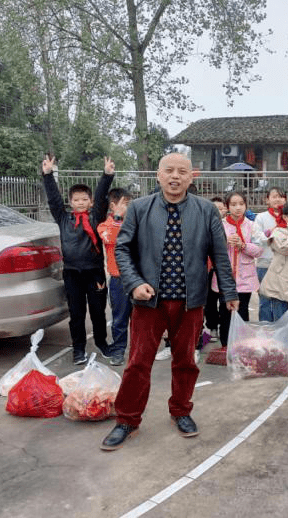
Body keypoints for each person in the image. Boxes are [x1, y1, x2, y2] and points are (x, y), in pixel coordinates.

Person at [101, 153, 238, 450]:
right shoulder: (139, 208)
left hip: (191, 302)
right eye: (169, 171)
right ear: (158, 175)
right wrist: (135, 284)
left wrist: (229, 293)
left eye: (182, 172)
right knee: (137, 362)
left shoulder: (205, 211)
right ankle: (126, 419)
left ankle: (181, 411)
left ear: (192, 177)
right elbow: (121, 250)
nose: (175, 177)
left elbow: (220, 254)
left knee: (186, 361)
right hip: (149, 302)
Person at [41, 155, 114, 365]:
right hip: (72, 273)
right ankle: (78, 348)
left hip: (95, 272)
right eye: (76, 200)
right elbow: (54, 200)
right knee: (77, 313)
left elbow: (102, 198)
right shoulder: (64, 219)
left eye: (84, 199)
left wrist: (107, 175)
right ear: (71, 202)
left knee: (98, 312)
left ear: (89, 202)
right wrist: (48, 175)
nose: (80, 203)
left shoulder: (95, 217)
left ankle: (102, 343)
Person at [212, 191, 263, 348]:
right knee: (225, 313)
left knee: (242, 312)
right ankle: (226, 346)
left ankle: (241, 345)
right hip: (224, 277)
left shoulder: (252, 226)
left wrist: (244, 245)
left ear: (246, 205)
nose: (237, 208)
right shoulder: (219, 225)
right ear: (227, 207)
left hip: (245, 277)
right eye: (233, 205)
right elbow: (210, 247)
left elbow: (260, 249)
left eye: (241, 204)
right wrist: (225, 241)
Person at [259, 202, 288, 358]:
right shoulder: (278, 232)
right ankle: (282, 346)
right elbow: (287, 249)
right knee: (281, 317)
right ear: (285, 217)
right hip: (280, 283)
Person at [97, 188, 133, 366]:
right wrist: (118, 218)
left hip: (138, 278)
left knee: (140, 318)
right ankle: (118, 351)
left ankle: (138, 351)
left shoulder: (135, 222)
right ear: (114, 206)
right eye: (126, 204)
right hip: (119, 279)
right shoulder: (105, 226)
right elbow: (111, 238)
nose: (130, 207)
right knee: (119, 318)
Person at [254, 187, 287, 321]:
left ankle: (280, 331)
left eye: (281, 196)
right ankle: (265, 330)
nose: (277, 199)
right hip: (265, 264)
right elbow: (256, 238)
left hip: (283, 266)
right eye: (274, 196)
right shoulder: (261, 217)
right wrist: (272, 233)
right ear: (267, 200)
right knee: (265, 301)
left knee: (281, 300)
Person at [203, 196, 227, 339]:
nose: (218, 211)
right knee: (210, 301)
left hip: (223, 267)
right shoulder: (204, 224)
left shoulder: (228, 225)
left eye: (220, 208)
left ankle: (224, 329)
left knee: (224, 299)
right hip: (207, 268)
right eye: (215, 208)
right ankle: (212, 326)